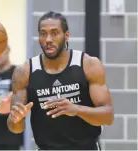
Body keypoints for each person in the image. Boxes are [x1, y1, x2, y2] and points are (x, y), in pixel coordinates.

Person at [7, 11, 114, 150]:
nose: (48, 39)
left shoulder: (89, 64)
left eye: (54, 33)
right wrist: (16, 119)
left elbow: (108, 116)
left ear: (67, 36)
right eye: (43, 34)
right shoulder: (24, 72)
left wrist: (76, 110)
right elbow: (15, 128)